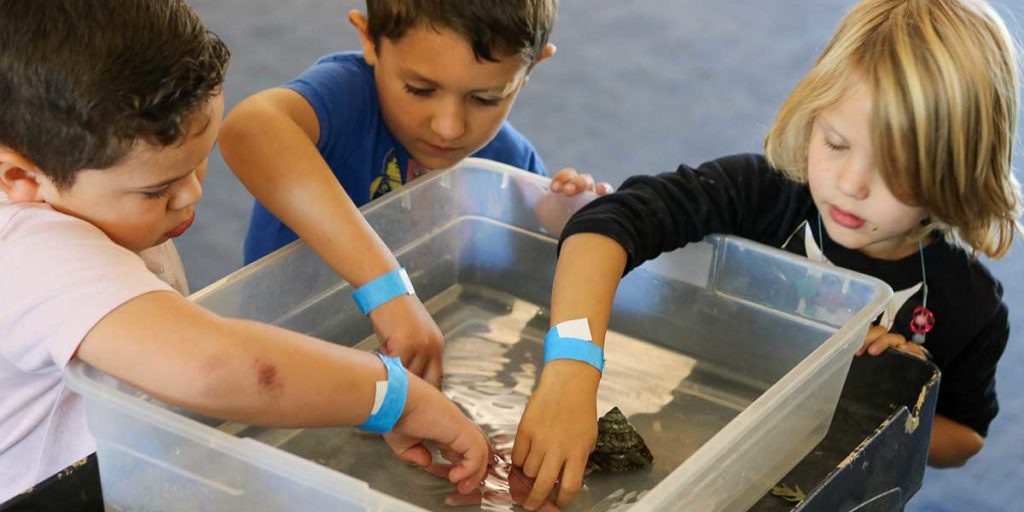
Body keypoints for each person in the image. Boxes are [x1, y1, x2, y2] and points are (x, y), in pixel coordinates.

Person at [512, 0, 1021, 508]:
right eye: (836, 143)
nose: (850, 184)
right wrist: (572, 369)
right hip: (693, 450)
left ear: (958, 171)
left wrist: (889, 393)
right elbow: (605, 225)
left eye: (894, 168)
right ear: (813, 112)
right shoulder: (760, 194)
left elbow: (965, 437)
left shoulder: (968, 301)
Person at [0, 0, 490, 502]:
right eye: (157, 190)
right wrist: (396, 398)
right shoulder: (32, 252)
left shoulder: (72, 191)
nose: (192, 195)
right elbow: (214, 367)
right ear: (19, 177)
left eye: (199, 163)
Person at [219, 0, 610, 388]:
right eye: (419, 89)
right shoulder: (347, 96)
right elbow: (249, 130)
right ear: (370, 40)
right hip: (283, 366)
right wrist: (386, 290)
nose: (449, 127)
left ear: (531, 68)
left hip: (416, 376)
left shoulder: (508, 158)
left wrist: (563, 222)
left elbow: (527, 282)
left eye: (486, 98)